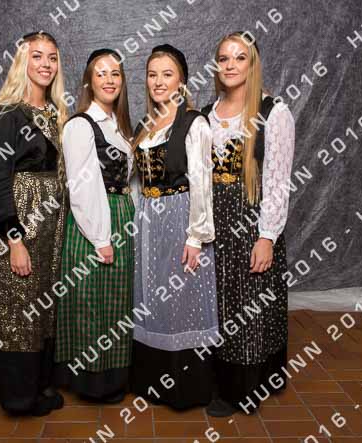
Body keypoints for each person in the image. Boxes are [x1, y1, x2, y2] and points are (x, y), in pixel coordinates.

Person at [201, 32, 295, 416]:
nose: (230, 65)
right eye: (224, 58)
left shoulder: (273, 112)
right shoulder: (207, 113)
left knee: (251, 304)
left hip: (251, 221)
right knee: (220, 302)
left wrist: (267, 235)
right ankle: (220, 380)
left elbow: (277, 180)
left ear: (253, 64)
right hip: (215, 223)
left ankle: (246, 388)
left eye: (240, 58)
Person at [0, 31, 68, 416]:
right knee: (17, 307)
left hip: (51, 226)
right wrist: (14, 240)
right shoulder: (7, 114)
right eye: (37, 56)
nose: (46, 64)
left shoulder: (57, 112)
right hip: (20, 223)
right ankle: (18, 398)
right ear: (22, 62)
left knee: (42, 306)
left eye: (52, 57)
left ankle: (38, 384)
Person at [130, 44, 218, 410]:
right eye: (152, 75)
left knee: (182, 300)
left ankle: (185, 388)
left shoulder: (194, 122)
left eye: (167, 74)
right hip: (148, 221)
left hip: (180, 217)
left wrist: (196, 236)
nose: (158, 81)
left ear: (181, 80)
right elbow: (136, 182)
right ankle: (153, 383)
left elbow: (202, 182)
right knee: (152, 299)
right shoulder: (144, 126)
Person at [54, 49, 135, 403]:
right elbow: (83, 186)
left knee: (116, 302)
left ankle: (116, 374)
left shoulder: (118, 126)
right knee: (92, 302)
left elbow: (128, 181)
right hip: (95, 221)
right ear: (89, 82)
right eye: (101, 73)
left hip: (121, 215)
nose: (109, 80)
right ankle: (93, 381)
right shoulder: (80, 125)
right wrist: (101, 237)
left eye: (115, 73)